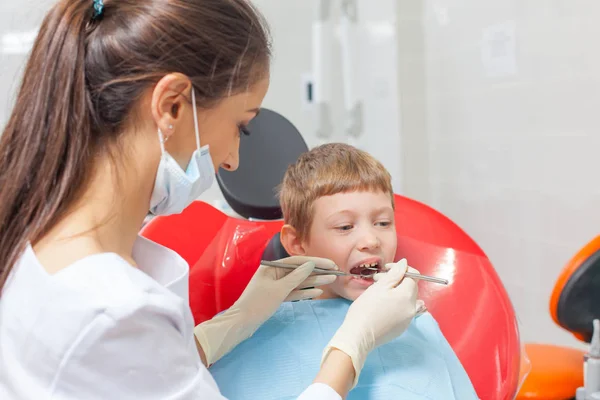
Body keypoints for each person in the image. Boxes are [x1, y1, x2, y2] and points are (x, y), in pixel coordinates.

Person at [0, 1, 419, 399]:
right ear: (172, 106)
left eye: (382, 222)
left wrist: (236, 321)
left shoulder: (39, 237)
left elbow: (141, 376)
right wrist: (351, 346)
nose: (234, 161)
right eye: (242, 126)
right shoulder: (109, 308)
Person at [208, 143, 478, 399]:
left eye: (383, 223)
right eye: (345, 227)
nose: (371, 240)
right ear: (296, 243)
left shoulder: (418, 325)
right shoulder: (246, 332)